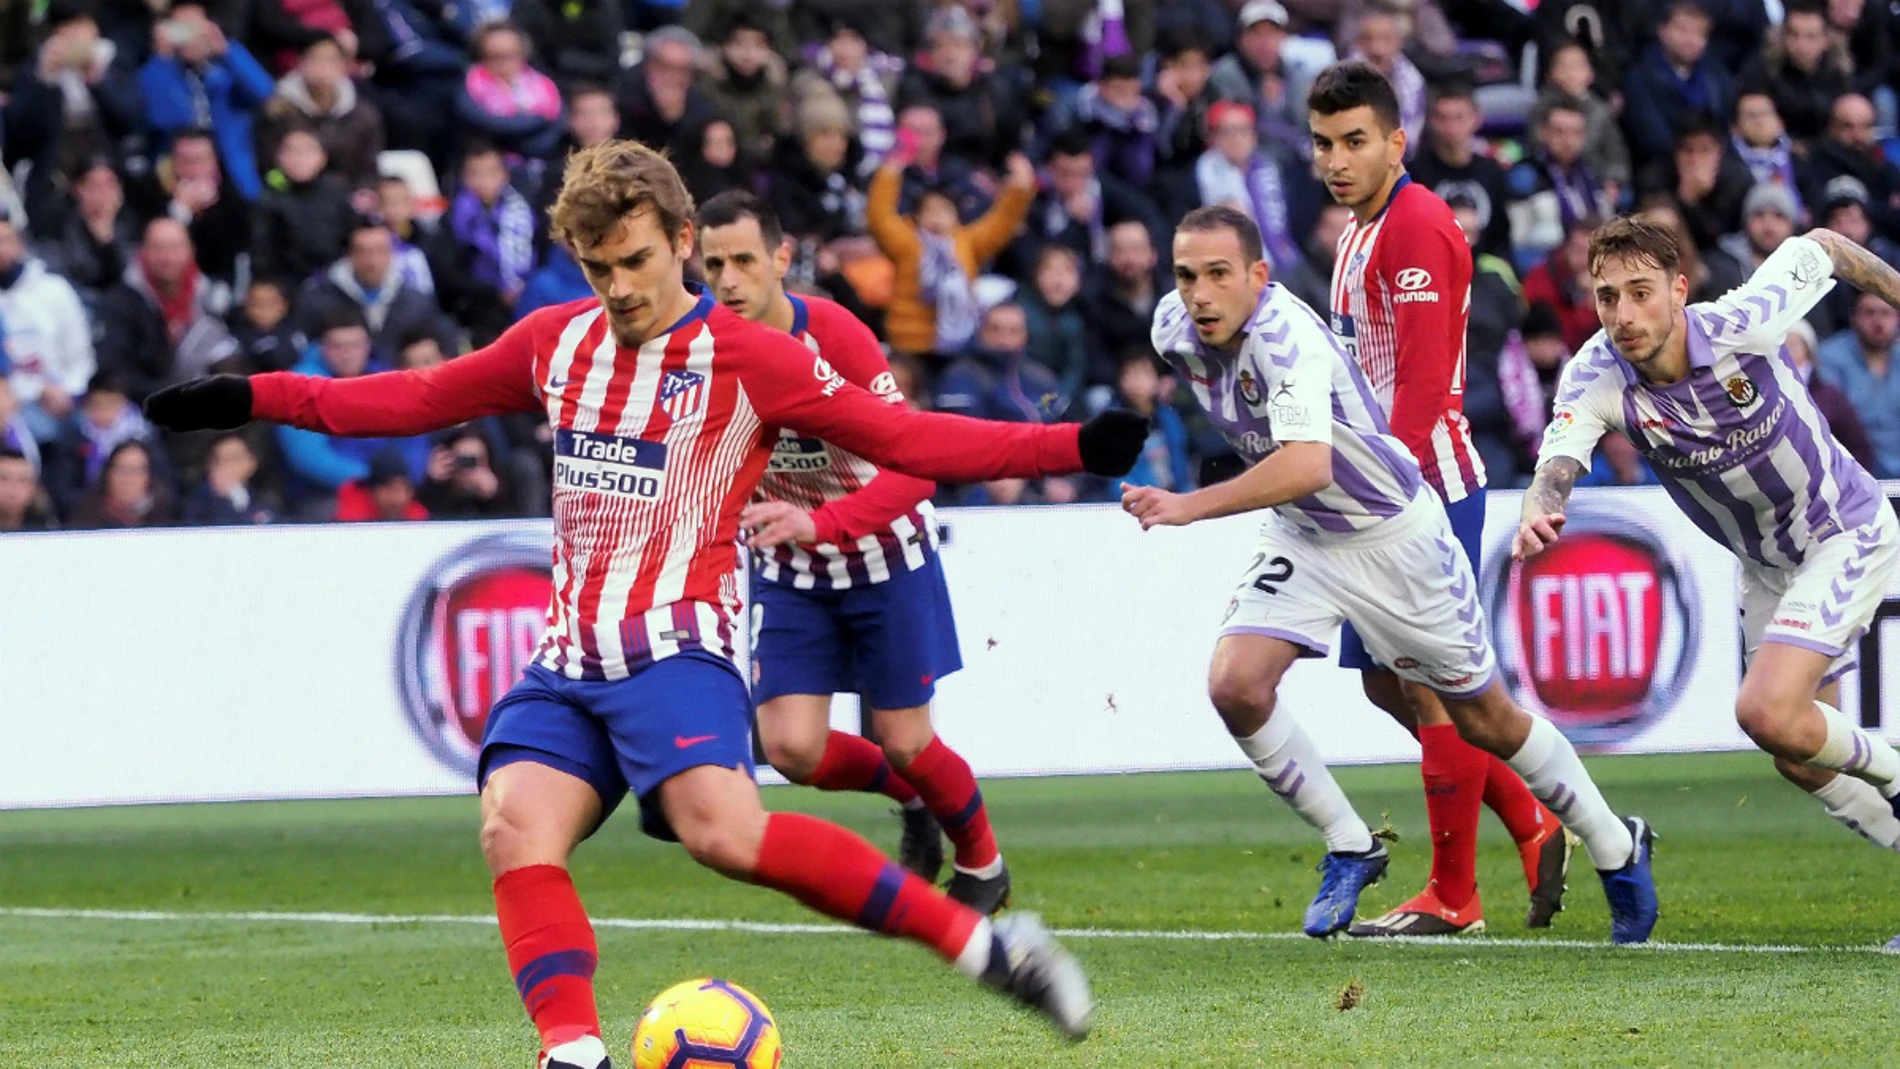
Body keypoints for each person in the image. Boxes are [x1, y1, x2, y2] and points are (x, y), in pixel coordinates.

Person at [144, 138, 1148, 1066]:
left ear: (682, 241)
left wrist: (1067, 446)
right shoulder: (555, 342)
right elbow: (410, 397)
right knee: (513, 828)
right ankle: (571, 1050)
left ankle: (989, 946)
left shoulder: (752, 358)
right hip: (567, 660)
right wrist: (255, 396)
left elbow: (907, 439)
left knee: (725, 834)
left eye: (633, 261)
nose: (618, 288)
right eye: (597, 268)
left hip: (675, 648)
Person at [1129, 204, 1657, 948]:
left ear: (1259, 276)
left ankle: (1614, 842)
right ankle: (1351, 845)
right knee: (1236, 684)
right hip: (1306, 532)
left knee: (1485, 719)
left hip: (1392, 535)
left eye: (1219, 275)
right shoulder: (1172, 328)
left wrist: (1189, 504)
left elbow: (1306, 464)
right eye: (1187, 276)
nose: (1199, 294)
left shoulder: (1287, 341)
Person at [1520, 215, 1900, 867]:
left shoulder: (1743, 322)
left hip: (1844, 529)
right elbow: (1556, 464)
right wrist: (1540, 507)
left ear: (1678, 290)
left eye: (1641, 292)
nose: (1623, 314)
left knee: (1765, 710)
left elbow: (1826, 246)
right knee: (1797, 753)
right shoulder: (1595, 376)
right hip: (1767, 568)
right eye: (1607, 297)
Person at [1307, 61, 1570, 937]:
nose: (1337, 160)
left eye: (1355, 141)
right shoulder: (1359, 231)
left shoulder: (1417, 223)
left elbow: (1420, 386)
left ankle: (1455, 895)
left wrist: (1387, 489)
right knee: (1388, 684)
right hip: (1378, 490)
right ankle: (1533, 822)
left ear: (1397, 142)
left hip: (1421, 486)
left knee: (1430, 689)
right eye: (1323, 143)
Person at [697, 190, 1012, 911]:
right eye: (714, 266)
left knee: (907, 740)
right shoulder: (698, 354)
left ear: (781, 258)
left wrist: (826, 522)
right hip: (789, 572)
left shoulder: (834, 335)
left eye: (745, 260)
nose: (730, 280)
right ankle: (915, 802)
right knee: (790, 749)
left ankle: (984, 863)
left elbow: (916, 465)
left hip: (883, 557)